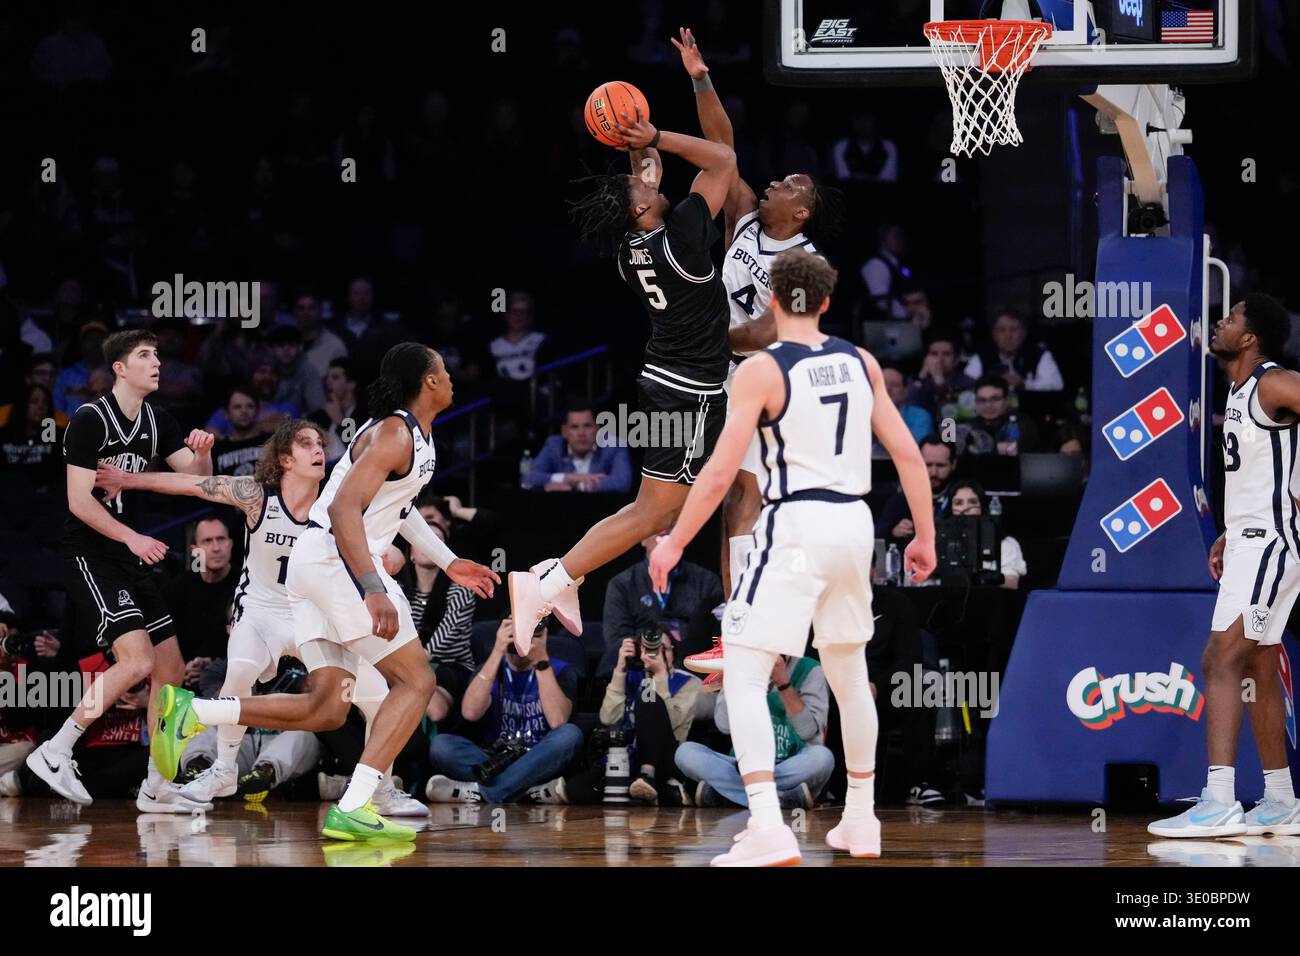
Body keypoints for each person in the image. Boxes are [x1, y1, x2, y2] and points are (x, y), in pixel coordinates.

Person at [649, 249, 937, 865]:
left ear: (772, 301)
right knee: (850, 674)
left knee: (746, 673)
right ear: (828, 301)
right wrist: (925, 538)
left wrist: (673, 541)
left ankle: (768, 828)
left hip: (795, 522)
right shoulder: (861, 362)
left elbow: (723, 468)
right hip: (855, 523)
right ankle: (861, 821)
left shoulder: (759, 369)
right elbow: (910, 457)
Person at [150, 344, 499, 840]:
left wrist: (449, 560)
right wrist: (373, 586)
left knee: (329, 707)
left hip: (318, 567)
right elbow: (343, 512)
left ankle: (192, 710)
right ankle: (357, 804)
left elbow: (400, 509)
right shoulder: (395, 433)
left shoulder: (411, 437)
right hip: (339, 565)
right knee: (417, 682)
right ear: (429, 383)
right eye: (443, 370)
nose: (450, 376)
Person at [508, 99, 739, 652]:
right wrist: (656, 132)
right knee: (651, 513)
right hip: (690, 392)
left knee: (658, 507)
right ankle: (551, 579)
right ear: (640, 209)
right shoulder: (680, 232)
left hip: (667, 381)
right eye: (640, 188)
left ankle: (559, 576)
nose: (649, 184)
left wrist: (638, 142)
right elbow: (723, 160)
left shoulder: (631, 247)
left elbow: (650, 175)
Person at [98, 419, 421, 814]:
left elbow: (394, 546)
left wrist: (388, 558)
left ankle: (382, 789)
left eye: (321, 443)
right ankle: (223, 769)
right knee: (240, 671)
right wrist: (129, 480)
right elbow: (191, 485)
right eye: (306, 444)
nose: (319, 450)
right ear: (285, 458)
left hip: (316, 616)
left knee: (377, 696)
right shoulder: (256, 496)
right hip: (261, 610)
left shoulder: (339, 506)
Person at [672, 26, 847, 608]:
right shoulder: (745, 219)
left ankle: (748, 605)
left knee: (746, 494)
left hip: (773, 378)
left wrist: (707, 338)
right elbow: (724, 152)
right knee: (729, 496)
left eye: (786, 185)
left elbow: (773, 331)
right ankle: (739, 605)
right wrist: (701, 78)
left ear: (799, 211)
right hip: (723, 368)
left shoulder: (808, 263)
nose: (771, 184)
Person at [27, 328, 216, 812]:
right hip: (91, 552)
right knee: (138, 661)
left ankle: (156, 785)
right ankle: (57, 750)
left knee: (170, 669)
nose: (158, 363)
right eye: (145, 355)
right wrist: (131, 536)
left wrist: (202, 451)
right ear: (119, 368)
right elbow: (77, 503)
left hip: (128, 556)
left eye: (158, 354)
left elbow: (196, 483)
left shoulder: (157, 420)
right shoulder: (89, 420)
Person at [1150, 294, 1300, 838]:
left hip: (1270, 543)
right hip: (1250, 539)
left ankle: (1218, 799)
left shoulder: (1272, 381)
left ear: (1250, 337)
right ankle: (1280, 800)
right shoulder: (1240, 391)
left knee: (1219, 659)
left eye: (1232, 317)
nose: (1221, 321)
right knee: (1257, 666)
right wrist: (1229, 532)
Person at [426, 617, 584, 804]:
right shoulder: (490, 669)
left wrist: (541, 660)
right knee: (441, 745)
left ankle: (481, 792)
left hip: (540, 758)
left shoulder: (560, 670)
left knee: (570, 735)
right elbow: (470, 712)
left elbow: (558, 720)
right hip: (494, 761)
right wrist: (497, 650)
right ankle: (525, 791)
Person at [675, 654, 833, 810]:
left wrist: (783, 682)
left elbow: (807, 731)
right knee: (686, 752)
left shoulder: (810, 670)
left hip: (792, 763)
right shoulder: (741, 667)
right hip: (743, 766)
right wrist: (735, 677)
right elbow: (724, 725)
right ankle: (781, 798)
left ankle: (728, 795)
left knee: (822, 758)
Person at [593, 631, 701, 804]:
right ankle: (661, 791)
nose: (654, 653)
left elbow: (671, 722)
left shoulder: (689, 683)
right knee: (580, 790)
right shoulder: (629, 676)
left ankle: (648, 776)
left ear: (673, 653)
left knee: (648, 698)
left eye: (662, 649)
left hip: (666, 757)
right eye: (648, 648)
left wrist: (660, 677)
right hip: (628, 754)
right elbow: (608, 718)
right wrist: (620, 670)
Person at [601, 530, 722, 675]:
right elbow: (617, 640)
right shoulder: (622, 584)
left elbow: (717, 637)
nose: (663, 541)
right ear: (643, 539)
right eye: (658, 534)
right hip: (640, 667)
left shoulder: (707, 582)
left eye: (670, 534)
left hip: (693, 669)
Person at [166, 516, 238, 676]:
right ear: (194, 550)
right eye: (207, 541)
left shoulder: (246, 586)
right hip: (184, 677)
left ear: (231, 544)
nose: (216, 548)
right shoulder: (178, 589)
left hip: (230, 676)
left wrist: (213, 669)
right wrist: (183, 671)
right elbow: (168, 642)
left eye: (221, 539)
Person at [524, 402, 633, 493]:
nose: (581, 433)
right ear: (564, 431)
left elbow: (622, 482)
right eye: (574, 427)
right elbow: (529, 479)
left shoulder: (614, 445)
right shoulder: (554, 445)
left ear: (598, 429)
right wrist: (567, 478)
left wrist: (576, 485)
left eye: (587, 426)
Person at [945, 480, 1027, 589]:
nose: (965, 508)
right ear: (951, 509)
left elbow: (1012, 584)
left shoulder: (1005, 543)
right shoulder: (939, 541)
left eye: (973, 502)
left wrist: (984, 579)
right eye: (958, 503)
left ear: (982, 506)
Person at [878, 435, 956, 548]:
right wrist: (893, 530)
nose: (933, 472)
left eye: (940, 465)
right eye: (928, 465)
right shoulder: (902, 500)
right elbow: (875, 533)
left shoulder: (963, 497)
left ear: (953, 464)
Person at [963, 309, 1063, 393]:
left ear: (1024, 333)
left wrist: (1024, 384)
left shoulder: (1039, 354)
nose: (1008, 336)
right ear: (994, 335)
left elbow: (1056, 385)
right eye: (1002, 330)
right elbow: (966, 385)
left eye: (1014, 330)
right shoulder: (982, 357)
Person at [958, 375, 1038, 457]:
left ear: (1006, 401)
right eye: (982, 400)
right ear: (976, 403)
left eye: (995, 399)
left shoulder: (1022, 423)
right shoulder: (970, 426)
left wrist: (977, 449)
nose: (988, 405)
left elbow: (1014, 449)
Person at [309, 357, 365, 465]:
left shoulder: (363, 415)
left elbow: (358, 450)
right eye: (327, 378)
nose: (328, 382)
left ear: (351, 384)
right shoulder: (321, 416)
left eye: (335, 377)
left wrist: (341, 422)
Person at [212, 384, 266, 475]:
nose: (244, 411)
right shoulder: (216, 450)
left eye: (250, 406)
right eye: (237, 407)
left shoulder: (271, 443)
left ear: (258, 411)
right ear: (226, 413)